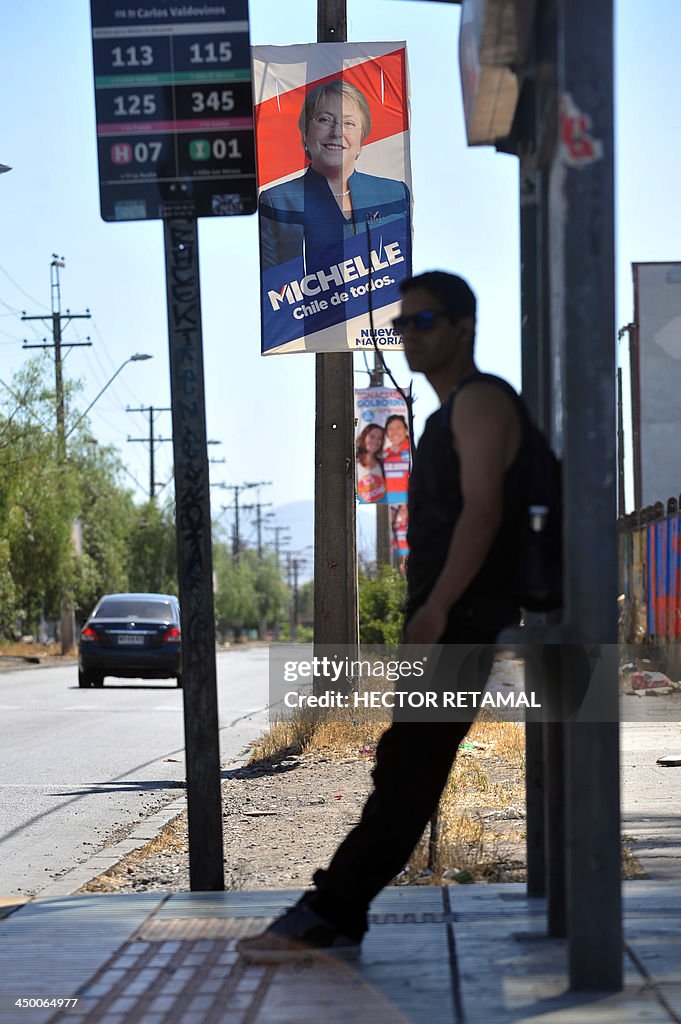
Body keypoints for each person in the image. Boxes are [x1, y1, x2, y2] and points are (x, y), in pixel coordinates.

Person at [238, 271, 529, 963]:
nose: (408, 337)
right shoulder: (446, 411)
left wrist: (434, 608)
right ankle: (334, 911)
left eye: (423, 322)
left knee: (409, 770)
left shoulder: (480, 401)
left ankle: (329, 913)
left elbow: (484, 511)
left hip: (460, 622)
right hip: (449, 622)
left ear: (463, 327)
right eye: (402, 325)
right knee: (406, 764)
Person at [259, 79, 411, 270]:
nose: (337, 132)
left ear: (362, 138)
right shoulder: (277, 201)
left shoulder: (394, 194)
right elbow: (277, 288)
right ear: (305, 133)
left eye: (349, 123)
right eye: (324, 120)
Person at [382, 413, 411, 502]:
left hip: (409, 501)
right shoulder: (384, 454)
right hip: (387, 503)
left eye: (398, 427)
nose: (394, 432)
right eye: (390, 429)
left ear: (406, 429)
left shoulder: (413, 450)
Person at [355, 423, 387, 503]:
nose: (375, 441)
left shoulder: (382, 464)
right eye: (372, 437)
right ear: (364, 437)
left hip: (379, 507)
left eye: (379, 438)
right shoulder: (353, 461)